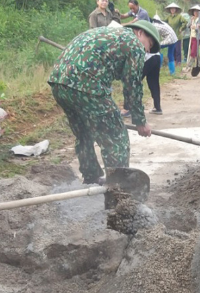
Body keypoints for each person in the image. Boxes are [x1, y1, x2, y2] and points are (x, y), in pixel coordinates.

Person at [47, 22, 158, 184]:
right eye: (150, 44)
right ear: (140, 33)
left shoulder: (108, 34)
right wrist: (140, 121)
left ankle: (91, 178)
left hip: (58, 82)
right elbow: (132, 84)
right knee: (116, 138)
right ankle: (119, 189)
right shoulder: (134, 43)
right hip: (87, 85)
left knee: (84, 133)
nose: (147, 50)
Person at [163, 3, 187, 74]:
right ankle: (173, 63)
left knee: (177, 50)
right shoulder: (169, 17)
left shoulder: (179, 16)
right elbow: (164, 22)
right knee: (172, 50)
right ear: (170, 10)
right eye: (171, 9)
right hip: (170, 36)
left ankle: (179, 63)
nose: (172, 10)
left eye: (174, 9)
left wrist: (181, 28)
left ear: (176, 10)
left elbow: (185, 22)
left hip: (177, 36)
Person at [186, 5, 200, 74]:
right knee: (194, 52)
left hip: (198, 37)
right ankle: (198, 65)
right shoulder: (192, 18)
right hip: (192, 36)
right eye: (195, 11)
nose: (196, 12)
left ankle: (189, 66)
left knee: (193, 52)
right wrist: (191, 23)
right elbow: (188, 26)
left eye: (197, 11)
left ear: (199, 12)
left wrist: (196, 27)